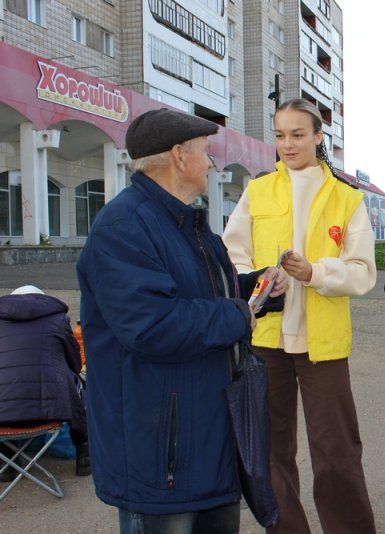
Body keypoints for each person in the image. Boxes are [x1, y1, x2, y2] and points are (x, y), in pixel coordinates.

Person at [77, 108, 286, 534]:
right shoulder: (124, 225)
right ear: (177, 156)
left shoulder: (186, 221)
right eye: (205, 153)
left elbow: (198, 289)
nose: (211, 163)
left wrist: (253, 288)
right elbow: (152, 326)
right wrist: (235, 313)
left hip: (206, 439)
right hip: (160, 451)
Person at [223, 98, 377, 534]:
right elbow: (232, 255)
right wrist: (257, 278)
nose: (287, 144)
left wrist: (315, 272)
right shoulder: (257, 191)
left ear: (318, 137)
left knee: (337, 450)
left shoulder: (346, 197)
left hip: (322, 341)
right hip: (265, 337)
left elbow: (364, 272)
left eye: (296, 134)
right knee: (270, 450)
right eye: (279, 135)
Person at [0, 285, 90, 479]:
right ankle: (84, 453)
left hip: (3, 419)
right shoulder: (58, 320)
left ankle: (6, 463)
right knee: (75, 382)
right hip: (50, 412)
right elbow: (75, 363)